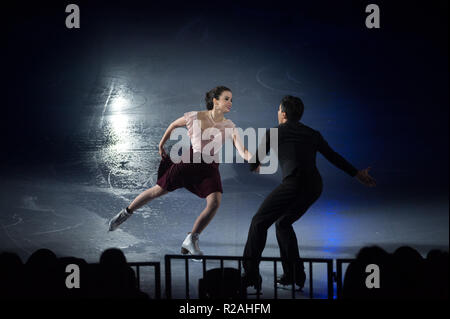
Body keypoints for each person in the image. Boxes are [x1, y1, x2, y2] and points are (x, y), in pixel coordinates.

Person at [242, 95, 376, 289]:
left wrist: (253, 162)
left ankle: (251, 274)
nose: (278, 112)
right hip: (314, 186)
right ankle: (294, 275)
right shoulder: (313, 134)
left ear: (284, 114)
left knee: (259, 222)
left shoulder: (274, 132)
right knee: (283, 223)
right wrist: (357, 174)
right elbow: (333, 156)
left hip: (294, 183)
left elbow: (254, 163)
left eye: (279, 110)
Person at [108, 86, 252, 257]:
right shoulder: (194, 117)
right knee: (157, 191)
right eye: (226, 99)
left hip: (210, 167)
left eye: (231, 100)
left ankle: (191, 239)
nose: (230, 103)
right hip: (189, 163)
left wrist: (254, 158)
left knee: (214, 202)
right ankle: (126, 213)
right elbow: (174, 125)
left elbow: (243, 151)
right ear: (215, 101)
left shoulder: (230, 126)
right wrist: (161, 144)